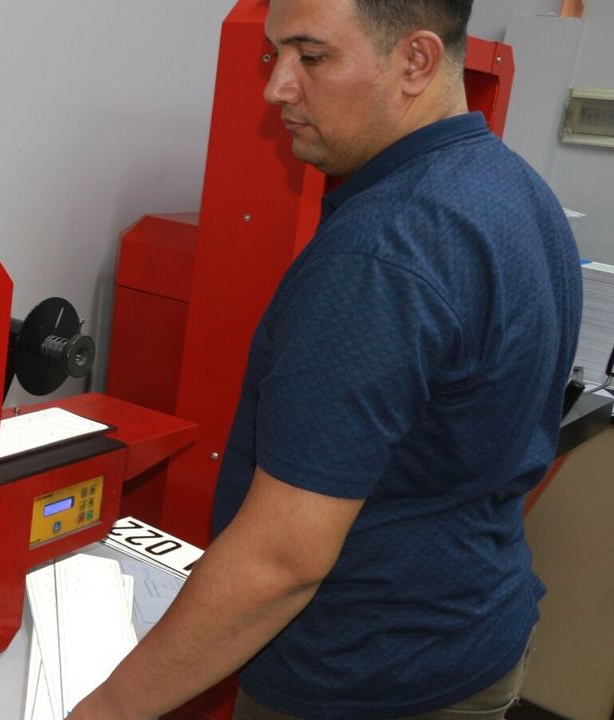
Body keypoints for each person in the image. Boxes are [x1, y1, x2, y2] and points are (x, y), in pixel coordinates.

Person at [70, 0, 582, 718]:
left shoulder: (381, 253)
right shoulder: (517, 191)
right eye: (273, 54)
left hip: (359, 681)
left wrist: (107, 709)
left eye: (312, 57)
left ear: (416, 60)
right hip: (473, 636)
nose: (276, 87)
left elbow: (282, 559)